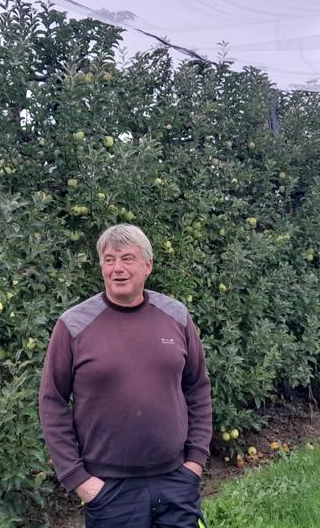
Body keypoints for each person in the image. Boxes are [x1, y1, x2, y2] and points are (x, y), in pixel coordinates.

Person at [39, 224, 212, 527]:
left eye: (127, 258)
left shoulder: (176, 316)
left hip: (175, 481)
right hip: (109, 490)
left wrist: (194, 462)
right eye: (109, 259)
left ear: (148, 265)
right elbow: (52, 401)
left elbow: (197, 387)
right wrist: (79, 480)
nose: (117, 268)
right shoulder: (73, 325)